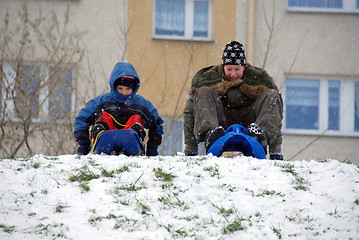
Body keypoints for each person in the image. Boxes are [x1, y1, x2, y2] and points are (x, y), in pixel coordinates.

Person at [183, 41, 284, 160]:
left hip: (250, 122)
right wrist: (191, 149)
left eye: (237, 69)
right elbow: (190, 112)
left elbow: (274, 113)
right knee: (204, 92)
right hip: (220, 121)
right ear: (222, 68)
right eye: (229, 69)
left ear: (245, 68)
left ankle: (260, 135)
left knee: (272, 95)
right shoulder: (208, 80)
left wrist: (275, 151)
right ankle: (211, 133)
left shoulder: (260, 80)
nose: (233, 74)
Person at [74, 62, 163, 156]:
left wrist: (152, 149)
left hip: (132, 143)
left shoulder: (141, 105)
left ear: (134, 88)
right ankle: (101, 132)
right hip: (104, 142)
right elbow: (81, 119)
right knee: (104, 117)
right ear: (114, 86)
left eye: (128, 89)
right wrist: (84, 145)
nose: (124, 92)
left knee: (135, 119)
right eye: (120, 88)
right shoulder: (102, 102)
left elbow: (157, 124)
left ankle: (134, 133)